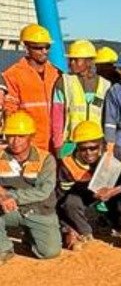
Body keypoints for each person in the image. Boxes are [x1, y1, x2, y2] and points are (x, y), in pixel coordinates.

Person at [56, 121, 121, 250]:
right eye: (83, 149)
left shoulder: (115, 151)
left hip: (116, 190)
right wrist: (65, 226)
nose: (88, 153)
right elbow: (59, 198)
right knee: (70, 202)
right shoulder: (68, 164)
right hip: (86, 193)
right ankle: (84, 232)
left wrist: (115, 190)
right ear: (76, 147)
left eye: (93, 148)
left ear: (101, 143)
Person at [0, 111, 61, 263]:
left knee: (50, 252)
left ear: (31, 137)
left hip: (38, 210)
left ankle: (30, 237)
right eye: (11, 136)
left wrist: (10, 196)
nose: (15, 141)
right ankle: (3, 249)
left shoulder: (46, 159)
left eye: (21, 136)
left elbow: (43, 192)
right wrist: (2, 195)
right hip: (9, 210)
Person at [1, 24, 61, 153]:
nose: (44, 51)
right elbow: (10, 110)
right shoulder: (12, 75)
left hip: (55, 144)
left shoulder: (57, 74)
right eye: (39, 48)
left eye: (47, 47)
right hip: (29, 144)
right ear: (27, 48)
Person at [52, 40, 111, 157]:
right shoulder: (64, 82)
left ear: (89, 62)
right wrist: (58, 144)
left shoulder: (106, 85)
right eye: (70, 60)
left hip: (95, 144)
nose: (71, 63)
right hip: (70, 143)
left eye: (76, 60)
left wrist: (107, 144)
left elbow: (108, 119)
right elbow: (57, 116)